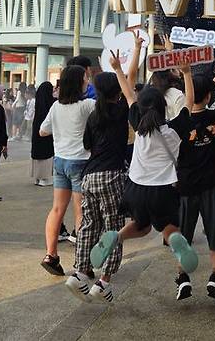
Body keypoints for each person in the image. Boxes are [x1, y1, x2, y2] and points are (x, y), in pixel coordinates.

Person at [88, 52, 198, 297]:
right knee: (169, 228)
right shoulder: (173, 130)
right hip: (163, 190)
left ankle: (116, 236)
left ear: (142, 107)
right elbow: (189, 102)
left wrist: (118, 69)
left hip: (135, 188)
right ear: (162, 108)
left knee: (141, 225)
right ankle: (176, 243)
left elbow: (128, 93)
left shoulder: (138, 125)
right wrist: (188, 74)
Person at [65, 71, 129, 303]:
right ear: (118, 91)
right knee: (113, 229)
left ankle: (79, 274)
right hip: (111, 176)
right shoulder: (121, 111)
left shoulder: (94, 116)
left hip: (89, 177)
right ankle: (104, 283)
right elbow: (129, 85)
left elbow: (87, 145)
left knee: (88, 226)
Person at [175, 49, 215, 301]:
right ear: (208, 96)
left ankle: (182, 277)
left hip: (186, 186)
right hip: (212, 184)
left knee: (184, 233)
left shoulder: (180, 122)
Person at [39, 65, 96, 275]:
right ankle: (83, 263)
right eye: (85, 79)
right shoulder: (88, 105)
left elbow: (42, 131)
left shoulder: (56, 107)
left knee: (56, 210)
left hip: (60, 162)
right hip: (80, 162)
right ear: (78, 83)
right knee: (81, 212)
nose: (87, 82)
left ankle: (51, 255)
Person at [30, 82, 55, 187]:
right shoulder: (51, 103)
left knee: (37, 154)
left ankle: (37, 178)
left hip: (36, 130)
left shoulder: (38, 102)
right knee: (46, 153)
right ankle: (45, 178)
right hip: (47, 133)